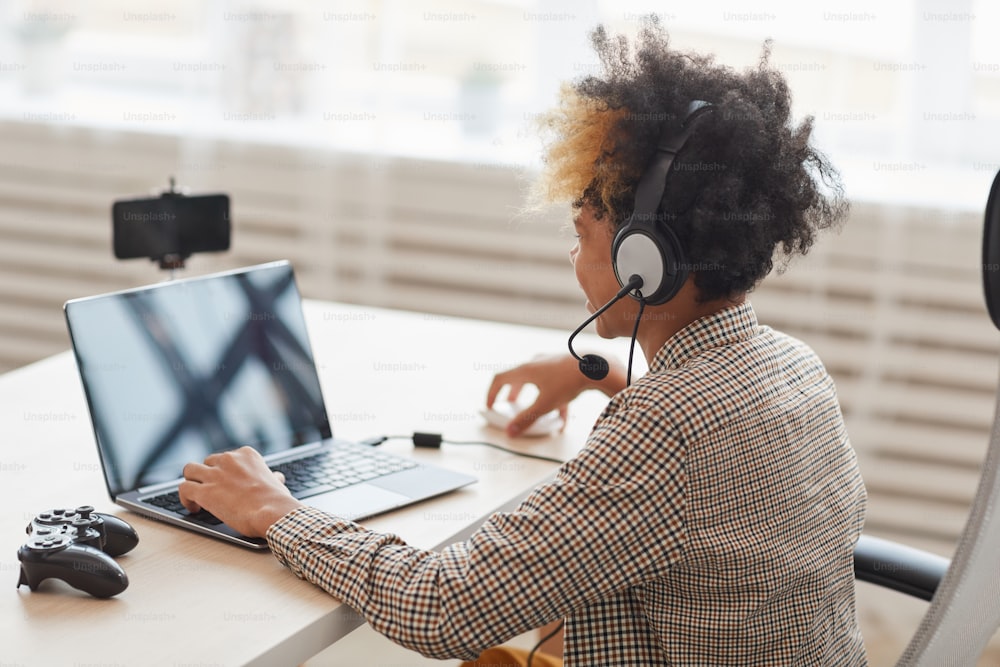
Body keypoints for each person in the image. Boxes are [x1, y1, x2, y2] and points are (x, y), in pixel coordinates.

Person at [179, 18, 867, 666]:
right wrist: (600, 369)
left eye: (583, 231)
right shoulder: (790, 366)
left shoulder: (664, 431)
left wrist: (277, 509)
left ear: (644, 259)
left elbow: (442, 605)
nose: (572, 254)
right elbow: (713, 458)